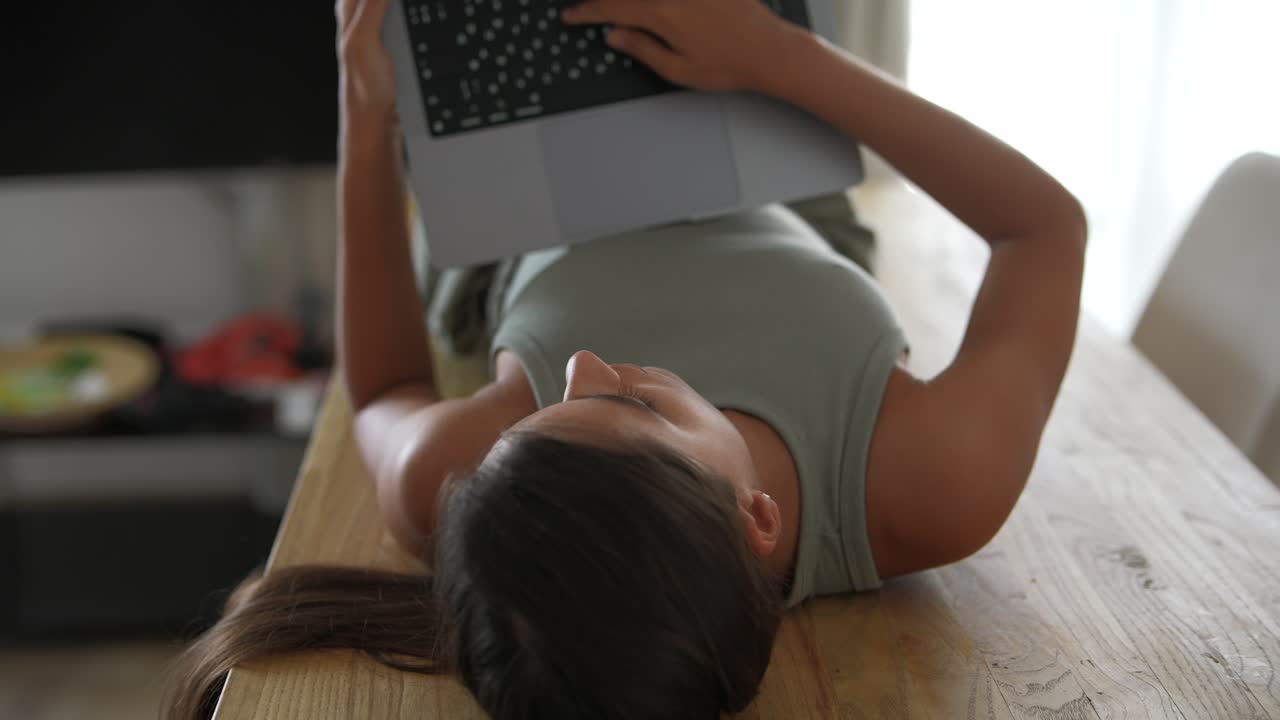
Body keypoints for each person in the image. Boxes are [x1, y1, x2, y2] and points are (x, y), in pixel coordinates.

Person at [164, 0, 1086, 717]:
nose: (588, 365)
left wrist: (365, 117)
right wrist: (776, 57)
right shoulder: (932, 483)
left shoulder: (472, 494)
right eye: (639, 410)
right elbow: (1043, 230)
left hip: (513, 209)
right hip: (773, 156)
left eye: (541, 413)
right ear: (756, 518)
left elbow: (387, 390)